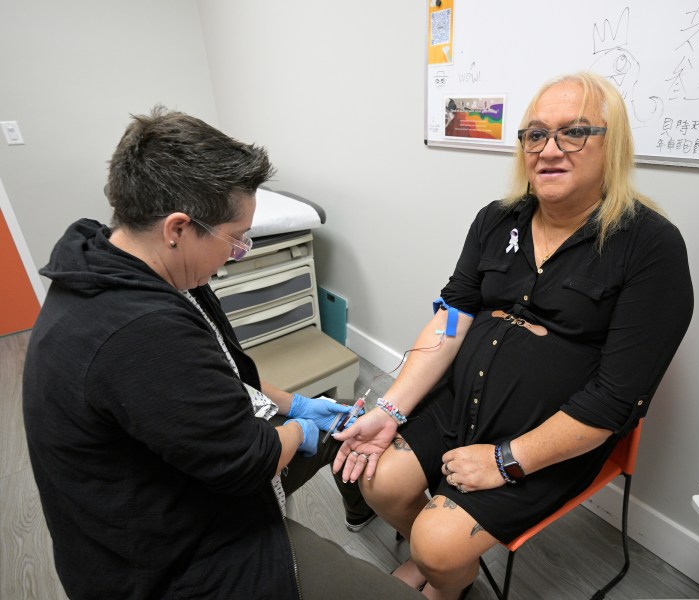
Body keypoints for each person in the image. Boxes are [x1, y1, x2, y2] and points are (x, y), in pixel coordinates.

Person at [23, 106, 421, 600]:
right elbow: (249, 463)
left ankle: (359, 505)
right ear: (177, 228)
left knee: (342, 429)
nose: (242, 251)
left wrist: (294, 404)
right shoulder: (137, 333)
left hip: (184, 476)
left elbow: (226, 373)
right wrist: (302, 428)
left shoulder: (134, 263)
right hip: (164, 560)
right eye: (235, 239)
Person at [333, 71, 694, 600]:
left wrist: (506, 459)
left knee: (437, 542)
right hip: (462, 398)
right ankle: (439, 562)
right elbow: (453, 317)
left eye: (574, 132)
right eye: (535, 135)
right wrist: (388, 411)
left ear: (611, 146)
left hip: (550, 434)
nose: (550, 149)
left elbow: (615, 400)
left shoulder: (649, 246)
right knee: (378, 480)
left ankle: (442, 577)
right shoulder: (497, 220)